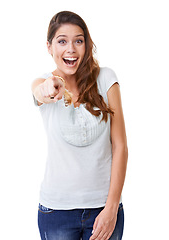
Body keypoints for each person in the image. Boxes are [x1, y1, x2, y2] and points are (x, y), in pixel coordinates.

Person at [32, 11, 128, 240]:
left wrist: (112, 208)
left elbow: (121, 146)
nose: (71, 49)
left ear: (86, 44)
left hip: (104, 208)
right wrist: (48, 87)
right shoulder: (45, 83)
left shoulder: (106, 78)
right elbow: (39, 91)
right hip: (56, 212)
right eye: (62, 41)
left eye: (78, 40)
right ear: (49, 46)